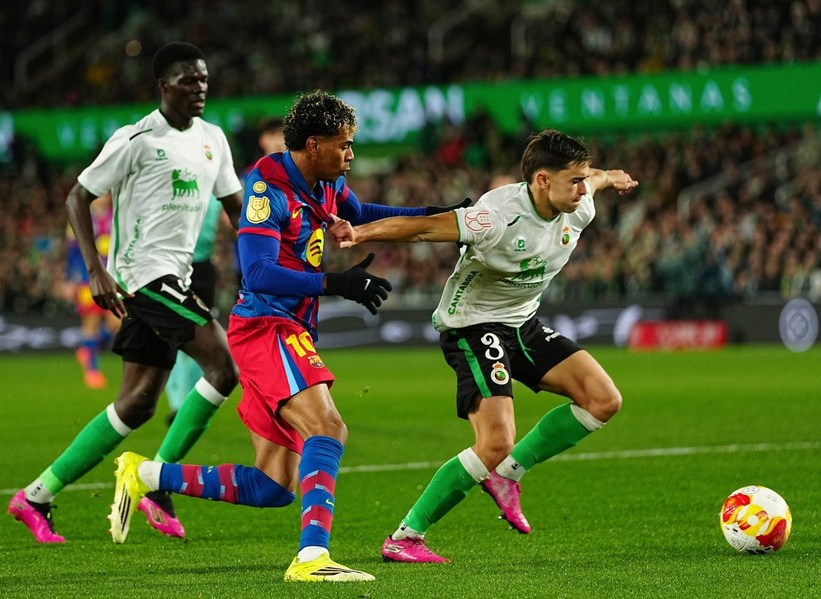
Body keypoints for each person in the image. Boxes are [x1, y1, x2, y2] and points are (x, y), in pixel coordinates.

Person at [108, 90, 466, 582]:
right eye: (343, 145)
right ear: (313, 144)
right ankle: (312, 558)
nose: (351, 154)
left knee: (274, 484)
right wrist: (336, 283)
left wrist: (442, 212)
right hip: (265, 327)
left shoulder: (325, 183)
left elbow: (361, 213)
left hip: (289, 329)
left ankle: (144, 473)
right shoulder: (266, 191)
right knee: (328, 427)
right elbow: (257, 273)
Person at [330, 128, 638, 562]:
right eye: (575, 180)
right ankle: (405, 537)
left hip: (522, 323)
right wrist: (360, 234)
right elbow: (421, 230)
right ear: (542, 180)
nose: (584, 189)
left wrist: (612, 176)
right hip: (472, 326)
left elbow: (600, 179)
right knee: (495, 442)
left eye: (585, 179)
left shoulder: (579, 205)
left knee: (603, 399)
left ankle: (507, 476)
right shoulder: (496, 216)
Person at [7, 42, 243, 543]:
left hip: (178, 275)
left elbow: (237, 210)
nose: (199, 88)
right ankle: (156, 484)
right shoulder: (136, 138)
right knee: (223, 366)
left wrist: (267, 261)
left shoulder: (213, 140)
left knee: (136, 404)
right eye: (188, 80)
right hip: (141, 278)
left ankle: (35, 496)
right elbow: (78, 195)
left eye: (203, 79)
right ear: (163, 86)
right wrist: (96, 270)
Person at [164, 117, 284, 421]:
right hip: (181, 266)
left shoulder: (230, 181)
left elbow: (234, 221)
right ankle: (181, 400)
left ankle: (272, 396)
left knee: (206, 330)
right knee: (189, 333)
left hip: (210, 267)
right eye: (273, 135)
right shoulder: (239, 178)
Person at [65, 193, 120, 389]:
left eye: (106, 193)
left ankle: (88, 350)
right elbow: (72, 252)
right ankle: (92, 371)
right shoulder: (81, 216)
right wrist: (70, 280)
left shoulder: (116, 215)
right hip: (87, 279)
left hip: (111, 278)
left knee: (117, 321)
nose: (103, 197)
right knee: (91, 323)